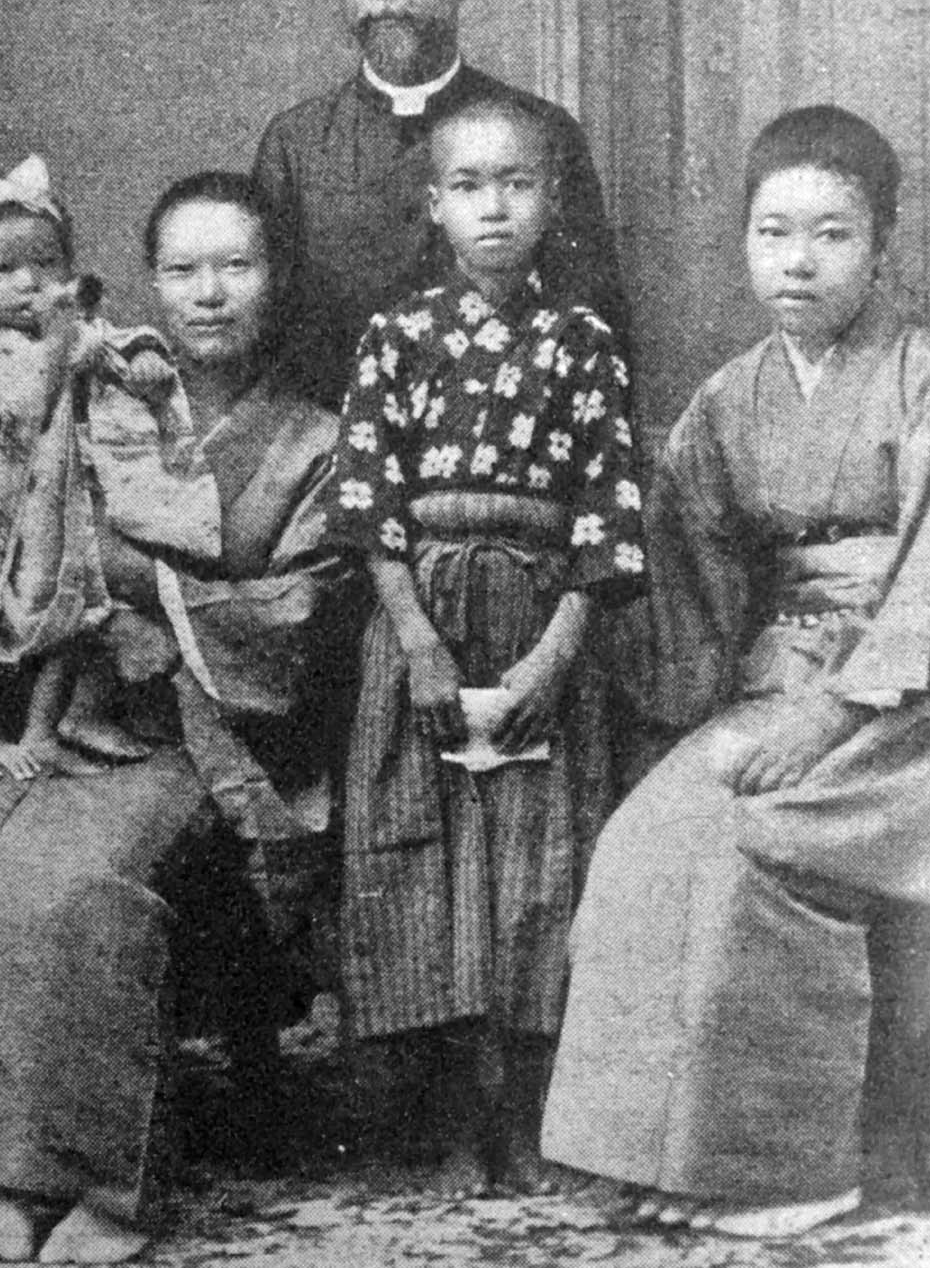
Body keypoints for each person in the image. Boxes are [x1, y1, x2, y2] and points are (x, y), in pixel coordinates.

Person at [540, 106, 930, 1236]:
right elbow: (683, 568)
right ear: (744, 243)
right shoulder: (727, 396)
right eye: (772, 233)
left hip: (909, 695)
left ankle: (793, 1172)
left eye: (831, 234)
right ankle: (663, 1157)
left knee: (759, 852)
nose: (796, 260)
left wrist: (832, 707)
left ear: (881, 247)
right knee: (639, 848)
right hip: (773, 682)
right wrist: (680, 690)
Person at [0, 173, 351, 1264]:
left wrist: (125, 587)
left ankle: (98, 1187)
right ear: (144, 282)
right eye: (180, 270)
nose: (209, 293)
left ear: (278, 280)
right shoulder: (101, 393)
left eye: (238, 265)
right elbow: (7, 545)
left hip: (203, 737)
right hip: (64, 713)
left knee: (74, 890)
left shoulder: (314, 439)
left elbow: (292, 618)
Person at [328, 94, 644, 1194]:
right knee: (422, 867)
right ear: (433, 205)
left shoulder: (581, 342)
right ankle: (446, 1122)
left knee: (532, 869)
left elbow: (607, 515)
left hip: (537, 613)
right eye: (467, 187)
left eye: (515, 184)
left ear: (551, 200)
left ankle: (525, 1119)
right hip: (422, 615)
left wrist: (555, 657)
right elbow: (366, 503)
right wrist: (411, 635)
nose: (493, 207)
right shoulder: (397, 337)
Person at [253, 0, 622, 411]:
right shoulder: (296, 142)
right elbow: (267, 343)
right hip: (332, 463)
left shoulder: (544, 132)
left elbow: (597, 335)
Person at [0, 153, 217, 774]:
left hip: (66, 501)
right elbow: (17, 417)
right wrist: (60, 349)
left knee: (96, 596)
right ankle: (15, 732)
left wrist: (143, 367)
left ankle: (67, 719)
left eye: (46, 264)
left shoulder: (70, 330)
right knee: (29, 609)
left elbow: (115, 349)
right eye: (6, 268)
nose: (30, 282)